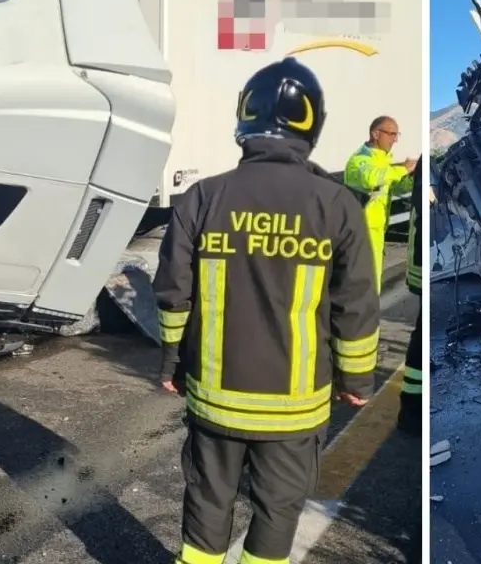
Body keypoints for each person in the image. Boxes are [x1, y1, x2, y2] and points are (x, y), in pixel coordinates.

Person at [153, 57, 381, 564]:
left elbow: (173, 290)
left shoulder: (203, 197)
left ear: (244, 119)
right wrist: (357, 380)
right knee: (278, 511)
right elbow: (356, 305)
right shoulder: (337, 204)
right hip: (294, 408)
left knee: (209, 503)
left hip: (215, 399)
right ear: (313, 126)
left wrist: (172, 361)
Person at [344, 116, 417, 293]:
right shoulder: (359, 160)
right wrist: (403, 169)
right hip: (361, 230)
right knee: (363, 281)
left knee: (372, 279)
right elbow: (371, 178)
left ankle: (368, 317)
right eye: (391, 134)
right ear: (375, 134)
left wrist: (411, 178)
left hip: (376, 230)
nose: (395, 139)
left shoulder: (382, 161)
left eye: (396, 134)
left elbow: (393, 186)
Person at [397, 154, 422, 435]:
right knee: (420, 334)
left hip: (418, 259)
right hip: (419, 263)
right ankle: (411, 409)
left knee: (420, 332)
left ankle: (412, 405)